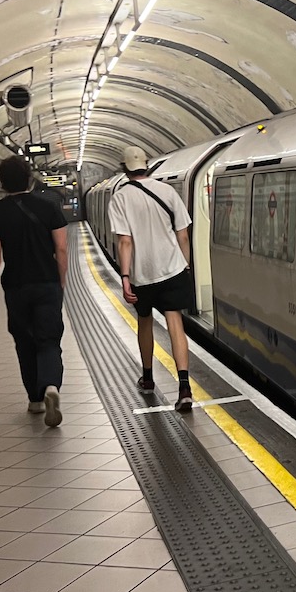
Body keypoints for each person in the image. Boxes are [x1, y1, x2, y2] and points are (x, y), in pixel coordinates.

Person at [0, 157, 68, 427]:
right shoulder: (49, 207)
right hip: (47, 283)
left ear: (2, 183)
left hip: (16, 287)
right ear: (30, 178)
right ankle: (51, 385)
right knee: (49, 339)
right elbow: (61, 249)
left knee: (24, 342)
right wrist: (61, 281)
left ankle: (35, 399)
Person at [109, 146, 194, 411]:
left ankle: (147, 378)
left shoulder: (120, 198)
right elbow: (182, 235)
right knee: (175, 323)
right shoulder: (167, 191)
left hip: (141, 274)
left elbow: (125, 241)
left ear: (124, 168)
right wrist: (185, 265)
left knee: (144, 322)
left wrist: (125, 276)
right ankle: (184, 387)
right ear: (146, 165)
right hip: (172, 268)